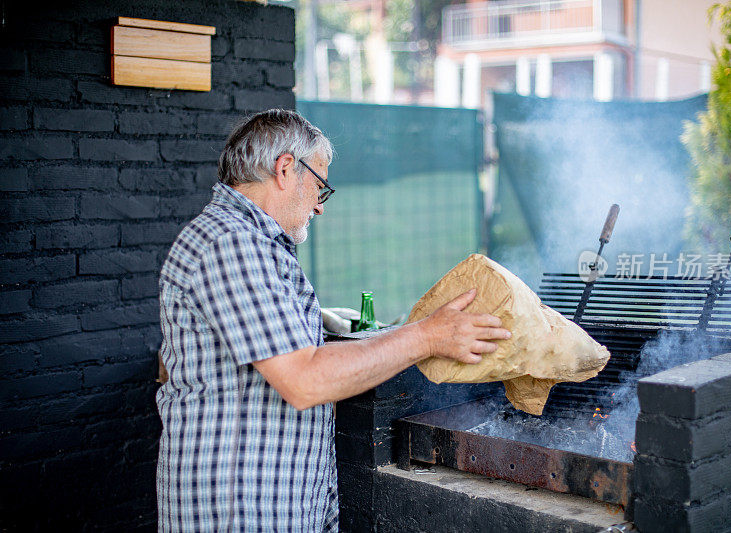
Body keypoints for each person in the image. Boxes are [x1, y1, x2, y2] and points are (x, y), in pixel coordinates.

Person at [156, 109, 510, 532]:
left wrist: (419, 330)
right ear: (286, 168)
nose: (319, 208)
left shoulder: (250, 243)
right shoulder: (231, 243)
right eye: (319, 187)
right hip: (237, 512)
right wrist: (425, 337)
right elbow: (304, 380)